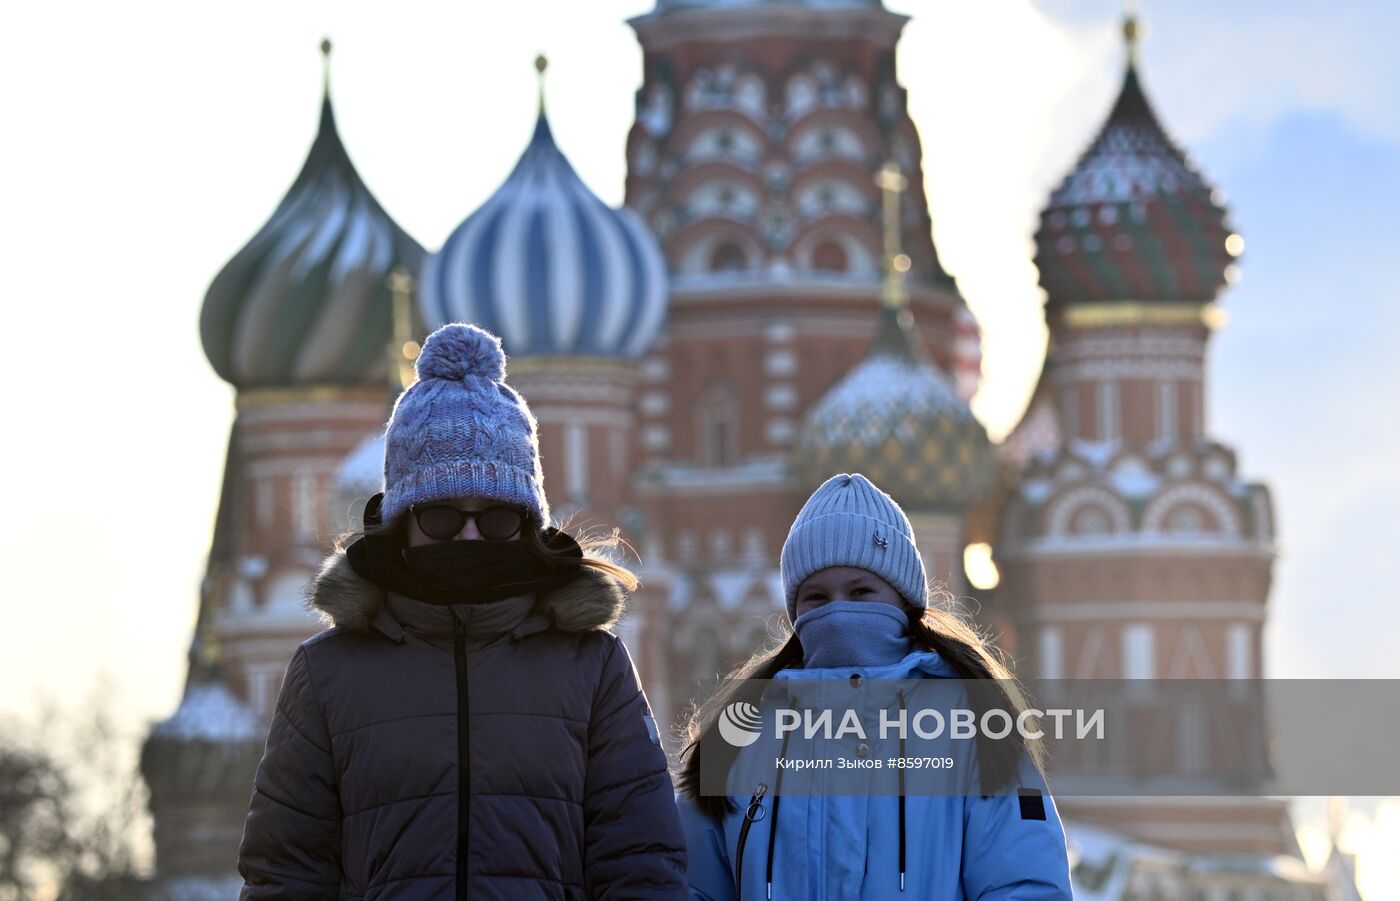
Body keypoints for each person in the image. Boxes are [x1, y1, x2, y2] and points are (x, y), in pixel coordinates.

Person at [237, 323, 687, 899]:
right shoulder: (329, 674)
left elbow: (641, 861)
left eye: (497, 518)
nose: (471, 538)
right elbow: (284, 871)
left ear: (527, 525)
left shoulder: (591, 667)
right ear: (403, 522)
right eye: (443, 517)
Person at [676, 473, 1073, 900]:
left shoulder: (973, 725)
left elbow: (1025, 884)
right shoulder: (741, 735)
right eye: (817, 598)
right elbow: (691, 886)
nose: (839, 612)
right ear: (794, 609)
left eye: (861, 591)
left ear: (903, 600)